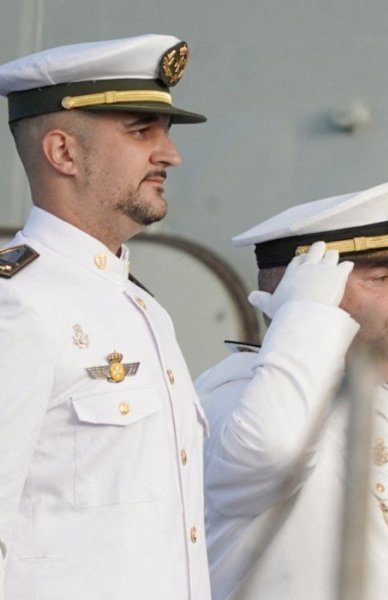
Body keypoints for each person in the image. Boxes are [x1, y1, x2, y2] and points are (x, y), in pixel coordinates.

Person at [198, 180, 388, 600]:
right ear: (310, 295)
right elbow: (270, 452)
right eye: (381, 277)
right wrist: (306, 315)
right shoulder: (235, 400)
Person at [0, 35, 211, 598]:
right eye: (142, 131)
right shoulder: (17, 305)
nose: (170, 154)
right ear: (63, 152)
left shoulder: (143, 308)